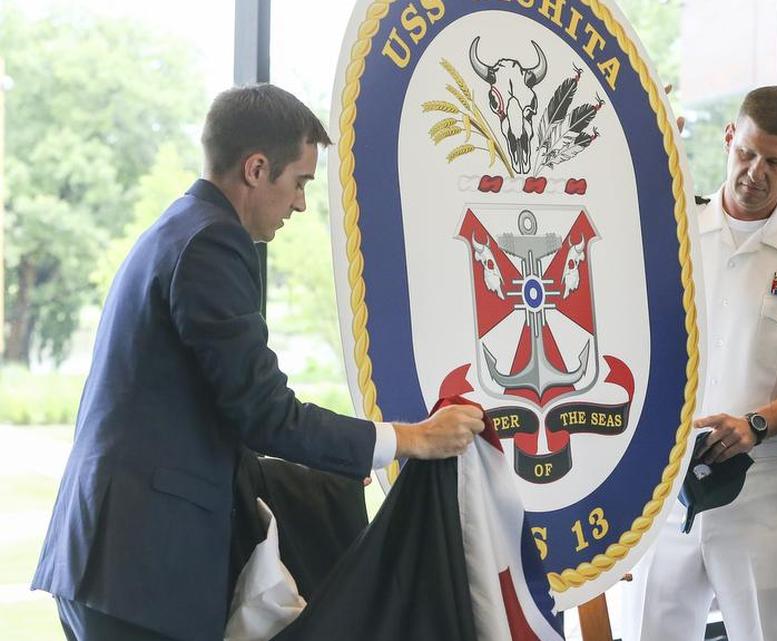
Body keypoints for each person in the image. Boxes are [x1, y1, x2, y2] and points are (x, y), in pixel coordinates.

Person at [31, 84, 485, 641]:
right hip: (140, 567)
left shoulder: (180, 229)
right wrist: (411, 439)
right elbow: (264, 411)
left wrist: (328, 469)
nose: (299, 203)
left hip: (115, 563)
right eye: (299, 183)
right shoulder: (211, 244)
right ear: (255, 169)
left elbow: (197, 418)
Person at [623, 86, 777, 641]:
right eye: (747, 154)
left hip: (761, 482)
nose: (756, 172)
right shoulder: (676, 232)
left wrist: (755, 425)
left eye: (775, 162)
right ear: (730, 137)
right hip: (667, 478)